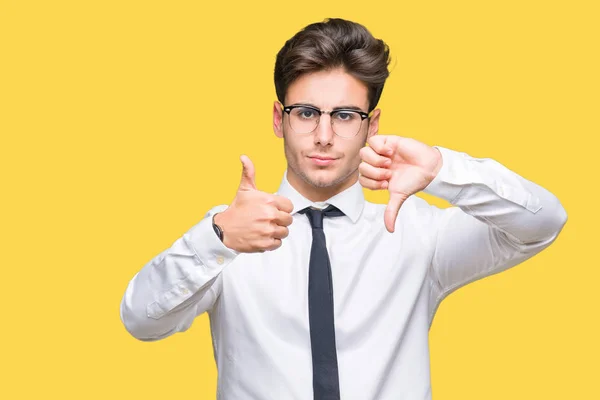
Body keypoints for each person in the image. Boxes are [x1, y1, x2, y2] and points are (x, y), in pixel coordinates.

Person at [119, 18, 567, 400]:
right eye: (307, 112)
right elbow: (140, 319)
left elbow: (543, 222)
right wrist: (214, 238)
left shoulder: (417, 234)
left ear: (372, 124)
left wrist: (443, 169)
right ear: (280, 119)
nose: (324, 136)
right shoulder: (234, 232)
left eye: (345, 115)